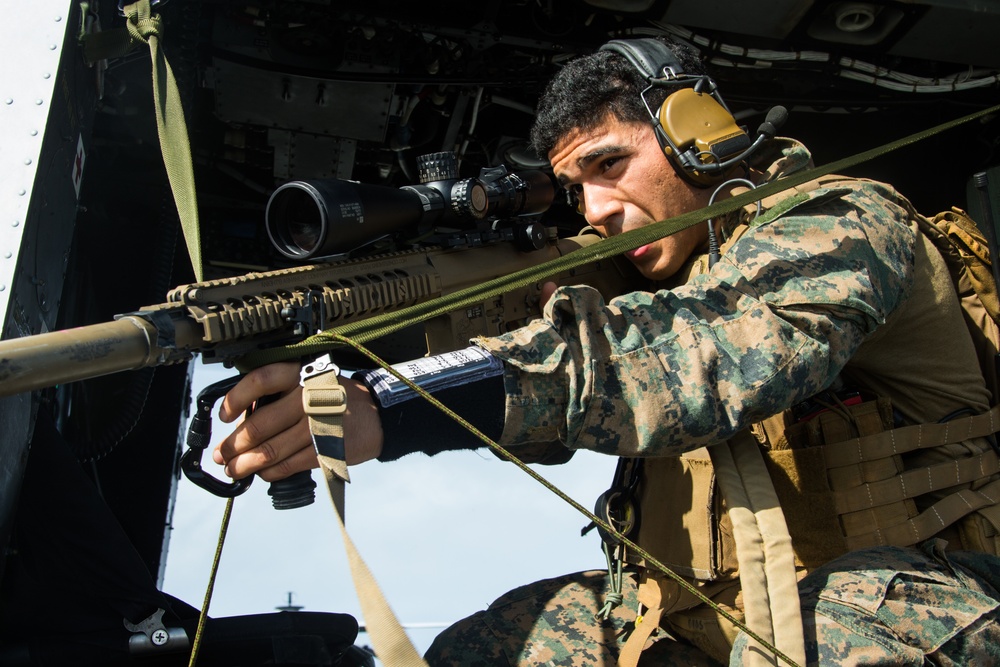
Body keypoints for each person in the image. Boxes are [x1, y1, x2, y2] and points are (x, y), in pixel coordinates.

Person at [213, 35, 1000, 665]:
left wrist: (391, 408)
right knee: (484, 650)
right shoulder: (635, 286)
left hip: (925, 595)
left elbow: (706, 353)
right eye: (576, 189)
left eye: (609, 165)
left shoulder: (843, 221)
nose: (597, 209)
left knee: (848, 632)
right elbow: (553, 411)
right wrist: (352, 377)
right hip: (701, 613)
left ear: (697, 131)